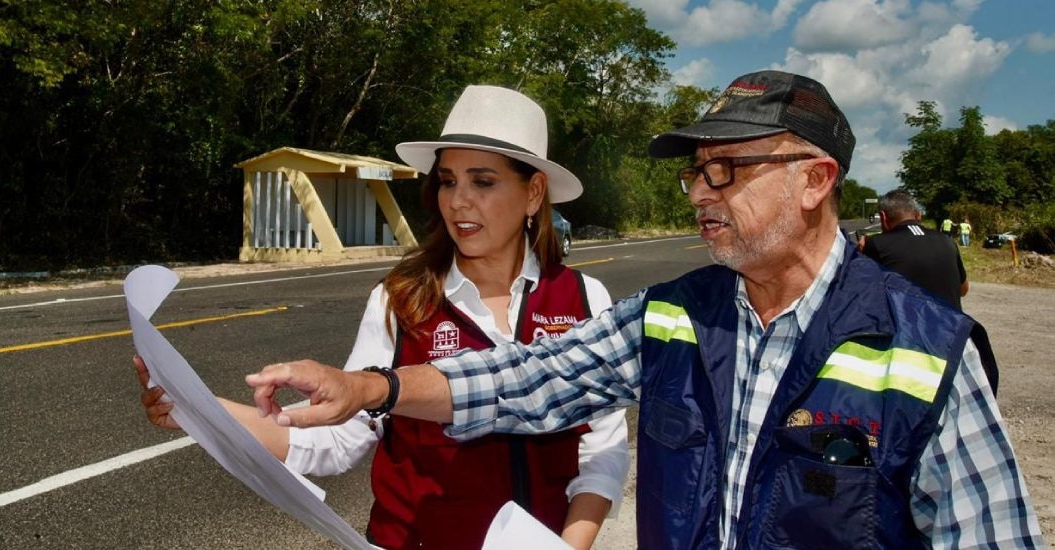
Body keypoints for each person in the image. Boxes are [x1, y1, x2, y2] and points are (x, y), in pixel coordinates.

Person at [242, 71, 1046, 549]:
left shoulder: (927, 351)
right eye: (697, 172)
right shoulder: (671, 317)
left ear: (815, 180)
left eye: (727, 169)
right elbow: (527, 380)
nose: (701, 192)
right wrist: (373, 389)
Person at [136, 85, 629, 550]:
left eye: (483, 181)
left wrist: (567, 546)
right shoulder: (402, 300)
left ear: (534, 192)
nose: (458, 200)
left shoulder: (584, 300)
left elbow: (602, 453)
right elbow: (338, 437)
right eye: (448, 181)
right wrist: (198, 409)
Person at [862, 189, 969, 310]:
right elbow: (963, 289)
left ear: (883, 217)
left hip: (906, 327)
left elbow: (862, 291)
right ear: (918, 215)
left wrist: (859, 254)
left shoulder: (876, 244)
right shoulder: (947, 241)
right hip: (952, 326)